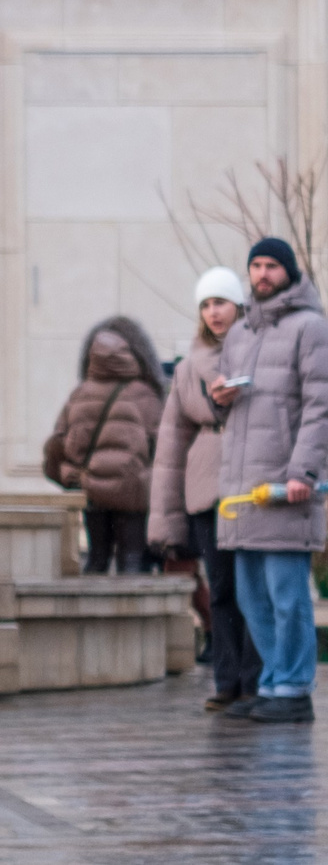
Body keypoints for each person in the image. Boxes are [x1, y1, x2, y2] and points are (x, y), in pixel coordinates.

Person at [212, 236, 328, 723]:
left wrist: (303, 472)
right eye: (255, 266)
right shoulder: (239, 333)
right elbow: (227, 409)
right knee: (250, 596)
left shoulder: (310, 328)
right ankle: (272, 683)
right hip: (242, 491)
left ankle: (294, 689)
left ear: (288, 272)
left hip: (285, 486)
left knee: (287, 596)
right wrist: (217, 397)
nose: (262, 274)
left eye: (271, 266)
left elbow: (320, 406)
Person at [151, 266, 259, 711]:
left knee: (254, 585)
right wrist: (164, 515)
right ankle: (227, 680)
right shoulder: (187, 366)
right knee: (221, 587)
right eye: (207, 304)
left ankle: (256, 683)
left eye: (222, 302)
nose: (215, 312)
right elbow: (171, 443)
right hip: (204, 487)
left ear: (239, 306)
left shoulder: (259, 352)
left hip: (252, 480)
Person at [41, 316, 165, 574]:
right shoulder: (145, 394)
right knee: (132, 561)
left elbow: (57, 446)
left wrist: (70, 474)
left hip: (92, 495)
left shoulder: (80, 394)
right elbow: (161, 448)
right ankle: (133, 615)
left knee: (96, 559)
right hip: (134, 498)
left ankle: (90, 614)